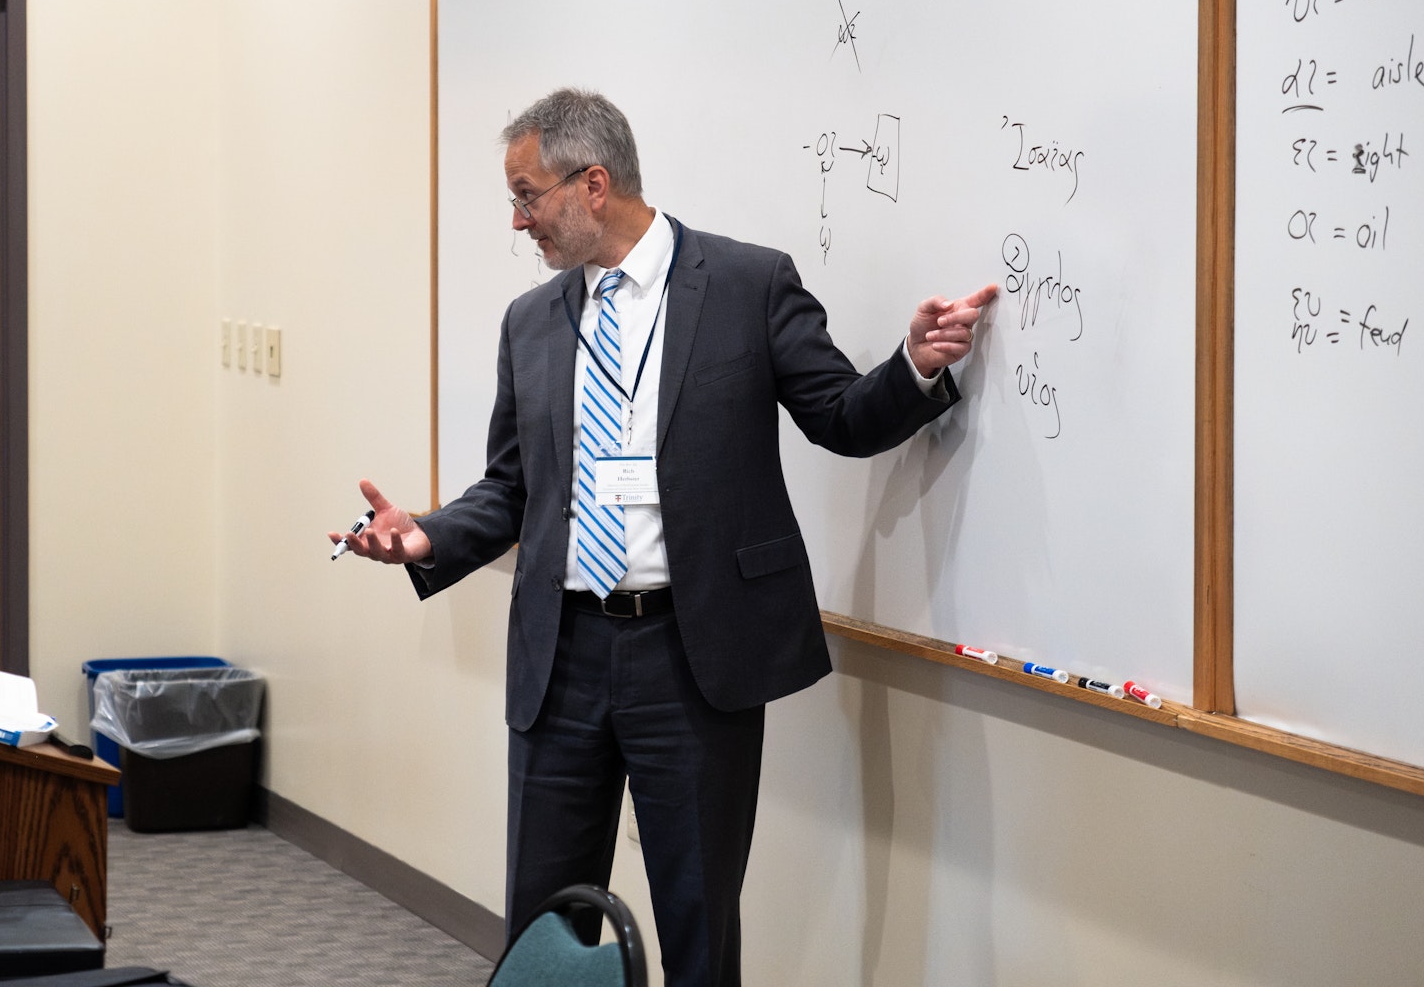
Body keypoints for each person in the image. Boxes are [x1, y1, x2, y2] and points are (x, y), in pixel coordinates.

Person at [331, 88, 995, 986]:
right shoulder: (530, 322)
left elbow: (839, 415)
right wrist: (426, 539)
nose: (519, 220)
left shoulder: (748, 284)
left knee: (696, 918)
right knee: (547, 924)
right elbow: (513, 487)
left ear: (592, 185)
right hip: (560, 655)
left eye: (528, 196)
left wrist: (913, 366)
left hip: (691, 652)